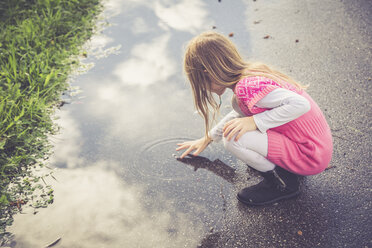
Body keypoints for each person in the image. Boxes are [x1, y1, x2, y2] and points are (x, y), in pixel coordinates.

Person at [176, 31, 333, 206]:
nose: (204, 89)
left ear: (209, 73)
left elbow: (301, 104)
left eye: (200, 82)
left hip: (310, 155)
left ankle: (282, 184)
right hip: (314, 147)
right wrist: (209, 138)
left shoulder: (245, 88)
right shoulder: (249, 77)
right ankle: (280, 169)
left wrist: (254, 122)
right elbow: (239, 114)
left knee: (233, 138)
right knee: (238, 126)